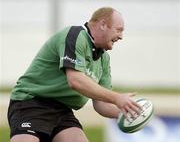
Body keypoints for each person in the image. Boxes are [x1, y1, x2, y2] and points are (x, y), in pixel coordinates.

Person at [7, 7, 141, 142]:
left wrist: (125, 113)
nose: (121, 36)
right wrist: (117, 98)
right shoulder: (76, 36)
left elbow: (101, 104)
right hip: (31, 103)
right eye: (119, 30)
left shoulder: (103, 59)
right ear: (103, 25)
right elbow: (75, 81)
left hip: (62, 110)